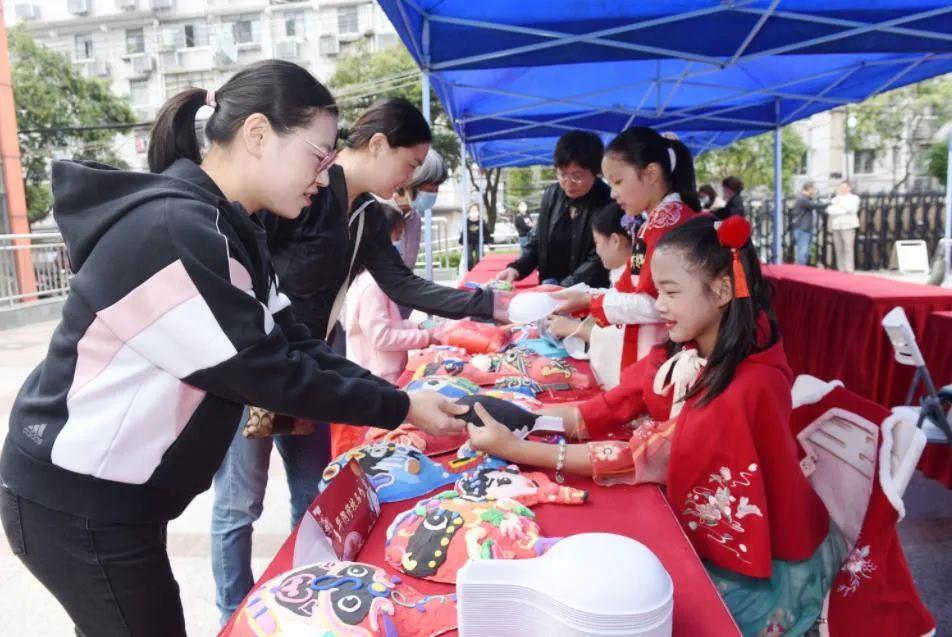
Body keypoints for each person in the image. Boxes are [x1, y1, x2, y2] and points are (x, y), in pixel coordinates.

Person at [0, 61, 466, 637]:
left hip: (107, 501)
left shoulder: (232, 228)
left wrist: (399, 396)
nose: (324, 177)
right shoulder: (178, 229)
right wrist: (400, 408)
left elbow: (291, 338)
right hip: (76, 502)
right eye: (317, 156)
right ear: (256, 135)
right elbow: (267, 372)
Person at [467, 215, 846, 636]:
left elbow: (647, 455)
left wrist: (520, 450)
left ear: (722, 289)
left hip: (771, 565)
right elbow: (623, 399)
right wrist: (533, 421)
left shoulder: (746, 384)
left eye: (669, 291)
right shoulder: (695, 346)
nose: (659, 304)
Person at [212, 97, 506, 625]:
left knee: (315, 493)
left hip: (313, 366)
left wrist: (485, 304)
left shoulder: (369, 215)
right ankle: (232, 613)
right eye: (410, 164)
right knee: (240, 505)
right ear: (377, 145)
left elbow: (402, 284)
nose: (409, 178)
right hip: (261, 370)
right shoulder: (297, 196)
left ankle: (309, 602)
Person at [546, 127, 698, 388]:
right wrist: (587, 299)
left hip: (660, 358)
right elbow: (632, 285)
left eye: (617, 182)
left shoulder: (668, 226)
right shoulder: (655, 223)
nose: (613, 193)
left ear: (650, 174)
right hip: (650, 354)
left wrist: (591, 302)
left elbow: (657, 305)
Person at [495, 130, 613, 288]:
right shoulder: (552, 194)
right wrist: (516, 268)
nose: (569, 183)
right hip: (550, 289)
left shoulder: (608, 201)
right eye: (562, 174)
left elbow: (599, 259)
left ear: (595, 172)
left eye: (577, 176)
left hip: (587, 294)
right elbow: (538, 242)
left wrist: (563, 288)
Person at [392, 148, 449, 318]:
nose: (434, 193)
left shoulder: (414, 219)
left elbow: (407, 271)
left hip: (401, 311)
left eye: (437, 188)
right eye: (431, 187)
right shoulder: (382, 213)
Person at [825, 180, 860, 272]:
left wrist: (839, 208)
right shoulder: (835, 198)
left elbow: (851, 209)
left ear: (849, 188)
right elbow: (830, 210)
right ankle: (841, 269)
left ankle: (849, 269)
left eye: (844, 187)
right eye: (840, 187)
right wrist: (842, 210)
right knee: (838, 249)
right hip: (836, 226)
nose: (842, 189)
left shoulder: (854, 198)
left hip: (848, 226)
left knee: (848, 248)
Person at [791, 181, 826, 266]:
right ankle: (801, 269)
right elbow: (814, 205)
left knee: (807, 251)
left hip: (806, 228)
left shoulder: (806, 198)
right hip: (802, 228)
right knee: (802, 251)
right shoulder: (802, 198)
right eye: (813, 189)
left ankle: (803, 267)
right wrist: (830, 203)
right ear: (809, 189)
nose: (814, 191)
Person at [460, 203, 492, 269]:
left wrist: (489, 242)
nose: (474, 212)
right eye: (472, 210)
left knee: (479, 258)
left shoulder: (482, 222)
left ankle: (478, 271)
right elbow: (463, 233)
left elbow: (486, 232)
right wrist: (461, 243)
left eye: (475, 210)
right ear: (469, 212)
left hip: (478, 242)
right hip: (469, 243)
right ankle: (470, 272)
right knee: (469, 259)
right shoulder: (466, 222)